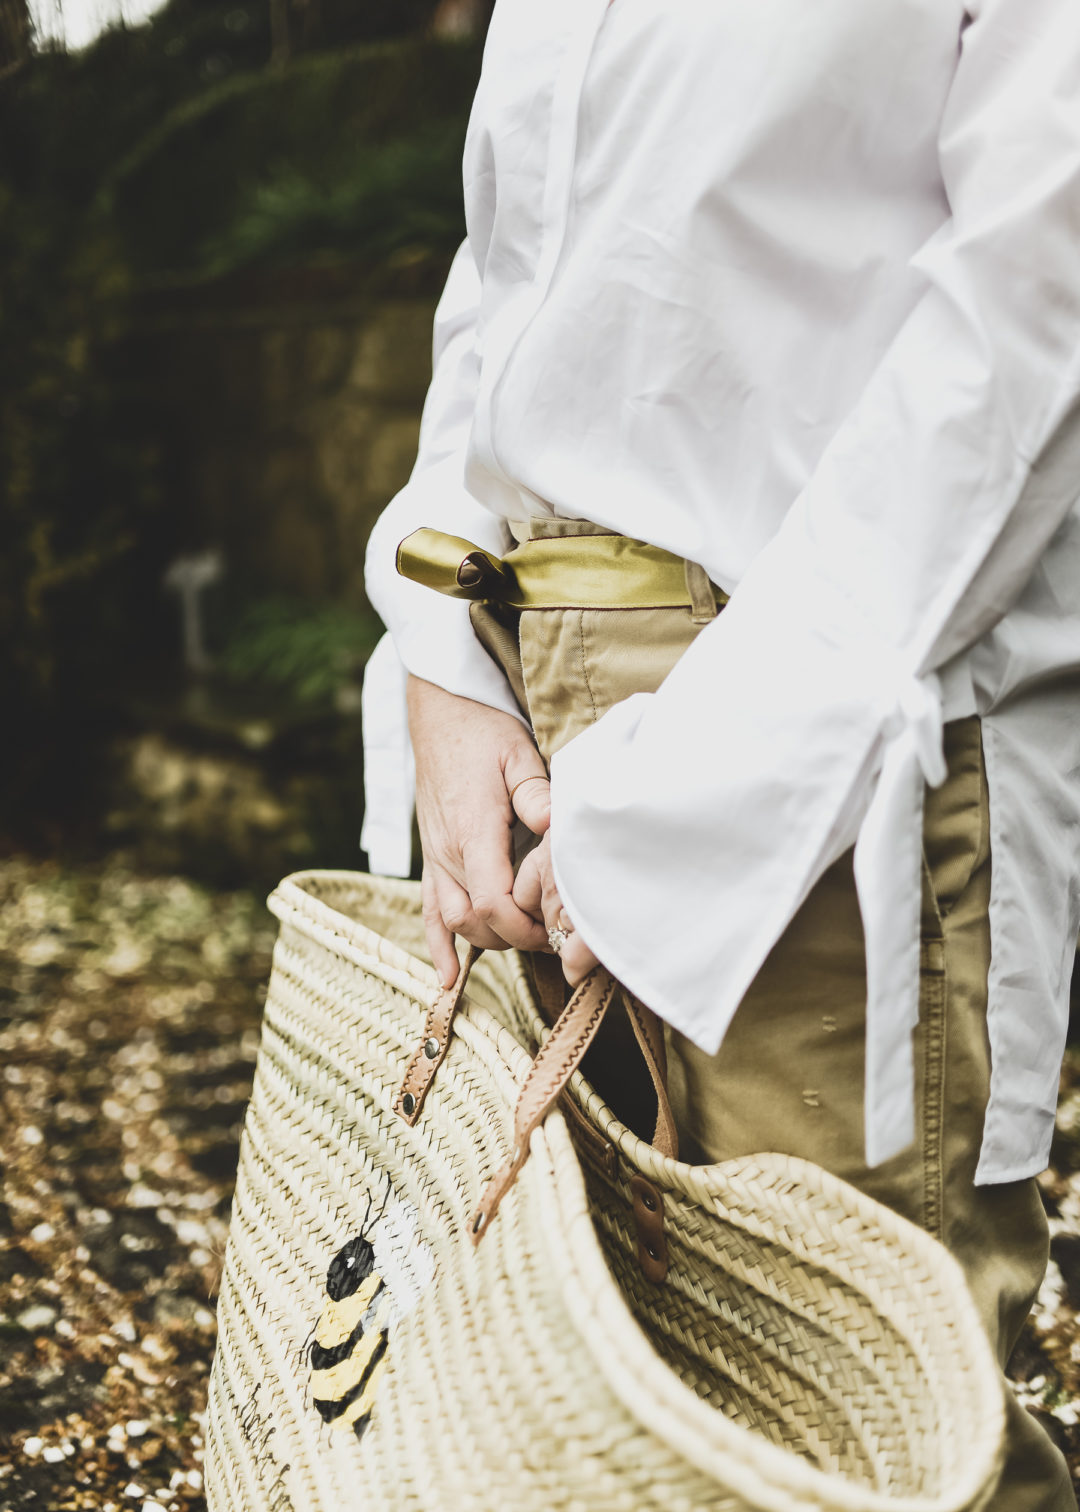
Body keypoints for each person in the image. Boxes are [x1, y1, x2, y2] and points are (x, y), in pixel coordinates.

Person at [362, 2, 1080, 1505]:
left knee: (850, 1439)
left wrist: (693, 778)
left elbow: (1034, 315)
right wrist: (443, 660)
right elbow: (512, 277)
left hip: (825, 756)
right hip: (525, 710)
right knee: (567, 1410)